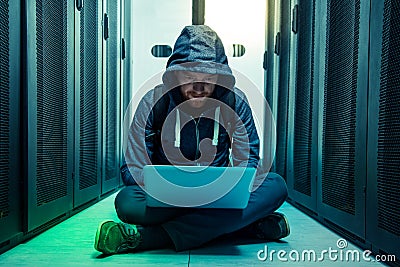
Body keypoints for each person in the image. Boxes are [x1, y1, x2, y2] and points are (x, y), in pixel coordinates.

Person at [94, 25, 289, 255]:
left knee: (275, 185)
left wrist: (223, 191)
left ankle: (150, 237)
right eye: (190, 78)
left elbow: (249, 161)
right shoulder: (153, 102)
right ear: (176, 75)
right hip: (168, 199)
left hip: (218, 195)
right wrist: (168, 189)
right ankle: (241, 226)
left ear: (219, 77)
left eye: (208, 78)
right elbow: (131, 167)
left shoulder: (235, 102)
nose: (199, 88)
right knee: (127, 202)